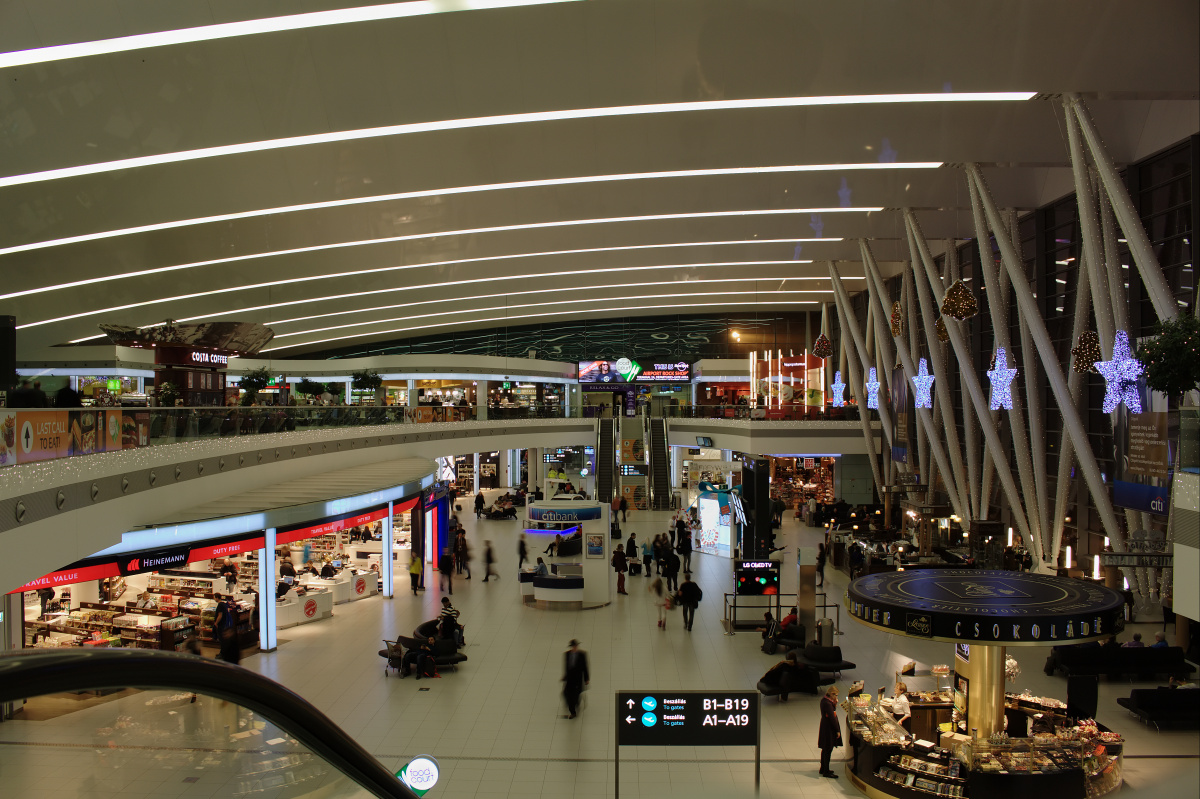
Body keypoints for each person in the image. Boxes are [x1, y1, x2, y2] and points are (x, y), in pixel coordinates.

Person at [818, 684, 842, 778]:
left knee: (825, 749)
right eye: (835, 695)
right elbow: (832, 718)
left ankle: (823, 768)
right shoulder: (828, 704)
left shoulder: (824, 700)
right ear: (831, 694)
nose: (836, 697)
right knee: (828, 749)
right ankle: (826, 771)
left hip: (825, 726)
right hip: (828, 729)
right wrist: (837, 730)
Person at [562, 639, 590, 718]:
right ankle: (573, 712)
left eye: (575, 646)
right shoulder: (567, 654)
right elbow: (566, 666)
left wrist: (586, 678)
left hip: (578, 679)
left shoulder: (582, 655)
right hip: (569, 679)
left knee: (576, 694)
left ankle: (576, 702)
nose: (574, 648)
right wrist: (565, 676)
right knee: (567, 694)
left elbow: (585, 667)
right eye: (573, 646)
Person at [213, 598, 240, 664]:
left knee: (221, 639)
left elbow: (220, 615)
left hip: (221, 625)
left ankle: (221, 654)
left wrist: (216, 623)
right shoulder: (224, 604)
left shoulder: (220, 605)